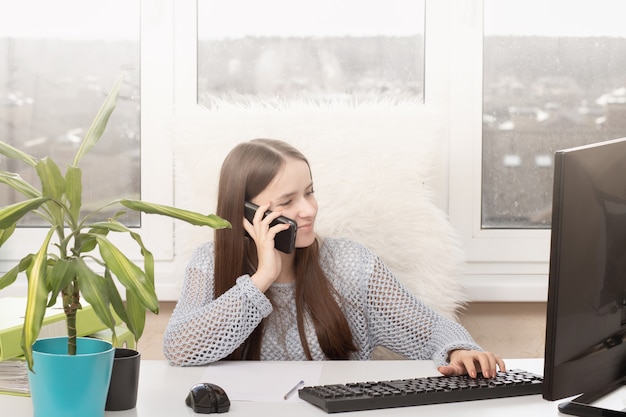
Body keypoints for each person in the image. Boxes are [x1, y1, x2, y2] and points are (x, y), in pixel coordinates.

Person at [163, 138, 505, 378]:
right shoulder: (209, 264)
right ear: (248, 212)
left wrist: (458, 349)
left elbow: (429, 328)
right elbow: (179, 350)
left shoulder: (351, 264)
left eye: (309, 192)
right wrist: (262, 278)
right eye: (287, 202)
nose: (308, 209)